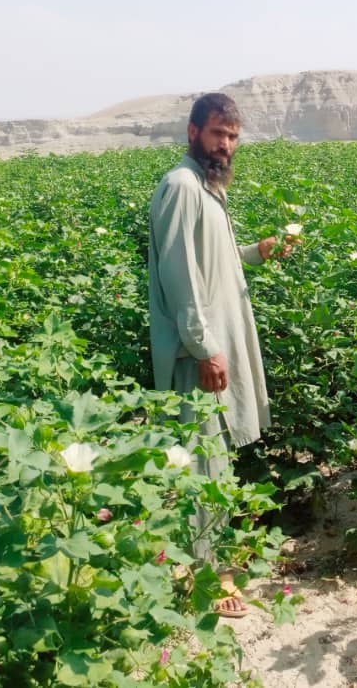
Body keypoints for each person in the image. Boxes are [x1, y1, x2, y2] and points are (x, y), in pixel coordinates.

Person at [148, 91, 293, 615]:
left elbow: (215, 260)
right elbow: (181, 276)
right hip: (197, 355)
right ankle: (206, 581)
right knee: (204, 464)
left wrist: (257, 252)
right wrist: (206, 347)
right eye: (217, 134)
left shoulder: (208, 188)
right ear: (193, 133)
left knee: (215, 457)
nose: (226, 144)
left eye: (232, 136)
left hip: (210, 348)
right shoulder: (181, 187)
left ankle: (207, 565)